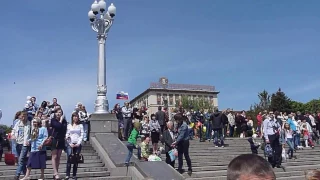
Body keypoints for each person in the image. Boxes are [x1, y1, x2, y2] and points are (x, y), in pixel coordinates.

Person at [13, 111, 31, 179]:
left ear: (26, 116)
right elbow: (14, 131)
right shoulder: (18, 123)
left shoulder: (29, 123)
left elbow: (32, 134)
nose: (23, 118)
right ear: (20, 116)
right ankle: (25, 175)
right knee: (21, 160)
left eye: (24, 116)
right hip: (18, 143)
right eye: (22, 116)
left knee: (21, 159)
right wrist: (13, 135)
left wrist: (28, 141)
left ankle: (17, 175)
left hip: (25, 144)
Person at [50, 108, 68, 179]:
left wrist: (61, 121)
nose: (58, 114)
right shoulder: (53, 120)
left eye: (60, 112)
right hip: (55, 139)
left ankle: (56, 172)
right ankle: (55, 172)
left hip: (61, 140)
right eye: (57, 112)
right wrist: (60, 121)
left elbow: (64, 129)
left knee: (58, 157)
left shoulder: (64, 121)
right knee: (54, 156)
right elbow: (58, 126)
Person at [65, 112, 84, 179]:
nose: (75, 118)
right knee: (69, 159)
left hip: (77, 144)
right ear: (72, 117)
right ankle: (67, 174)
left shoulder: (80, 126)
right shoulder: (69, 125)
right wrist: (70, 143)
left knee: (76, 159)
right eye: (74, 116)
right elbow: (67, 134)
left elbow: (81, 135)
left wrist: (78, 143)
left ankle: (74, 174)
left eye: (76, 116)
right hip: (70, 144)